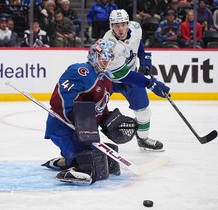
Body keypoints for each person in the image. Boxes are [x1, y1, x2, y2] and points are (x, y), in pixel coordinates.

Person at [42, 39, 137, 184]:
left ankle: (65, 161)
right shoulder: (80, 71)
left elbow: (101, 108)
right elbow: (60, 98)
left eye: (109, 58)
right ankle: (71, 165)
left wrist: (109, 121)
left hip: (85, 131)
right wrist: (76, 120)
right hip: (63, 126)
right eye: (103, 57)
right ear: (93, 55)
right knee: (86, 162)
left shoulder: (107, 81)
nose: (106, 62)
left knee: (105, 158)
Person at [103, 9, 170, 151]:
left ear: (128, 23)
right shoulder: (109, 44)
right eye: (116, 25)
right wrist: (150, 84)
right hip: (110, 80)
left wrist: (143, 56)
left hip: (131, 77)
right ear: (111, 26)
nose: (120, 29)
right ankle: (86, 139)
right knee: (95, 108)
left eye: (123, 24)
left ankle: (143, 139)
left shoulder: (135, 27)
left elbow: (137, 43)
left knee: (144, 111)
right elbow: (123, 74)